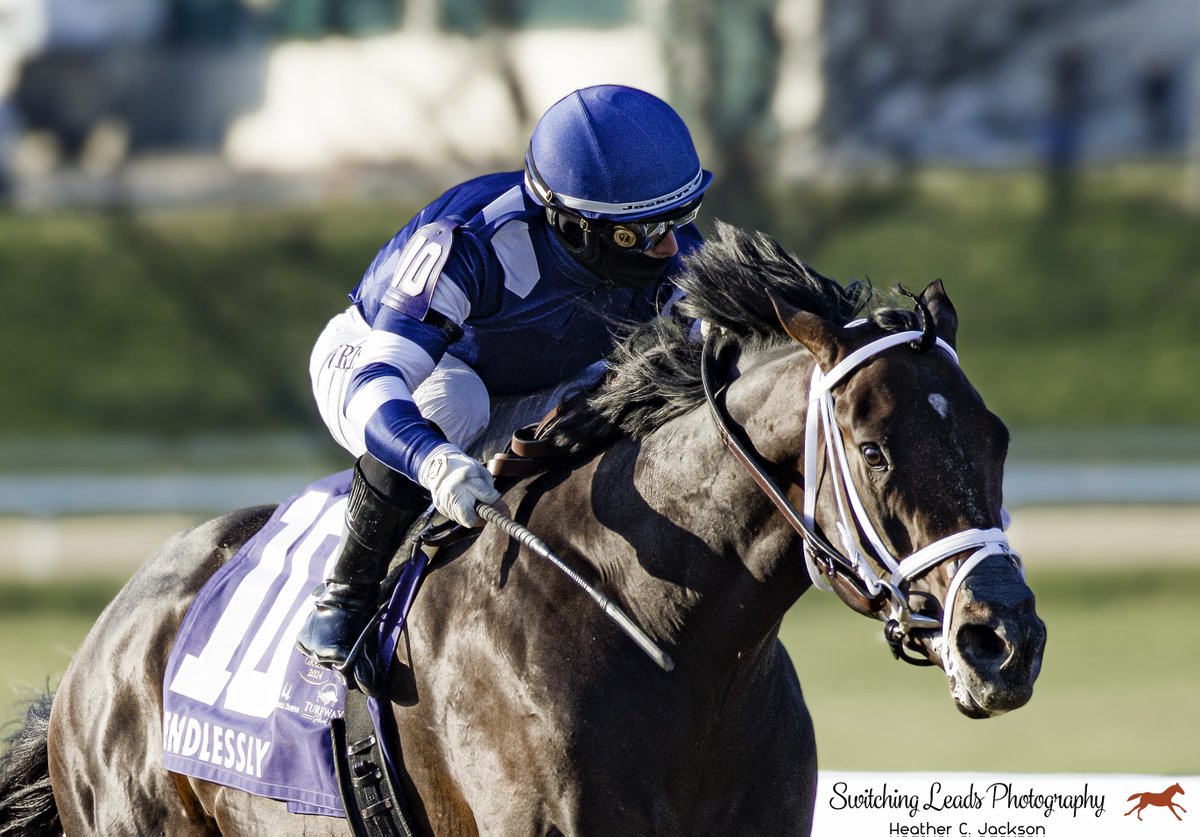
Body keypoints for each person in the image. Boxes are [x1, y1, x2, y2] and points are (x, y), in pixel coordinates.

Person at [296, 84, 713, 673]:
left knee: (622, 394)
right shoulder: (469, 242)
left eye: (678, 218)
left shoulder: (670, 250)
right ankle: (347, 592)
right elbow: (377, 382)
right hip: (375, 359)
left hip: (536, 379)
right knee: (454, 401)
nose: (670, 245)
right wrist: (431, 459)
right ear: (574, 224)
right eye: (641, 232)